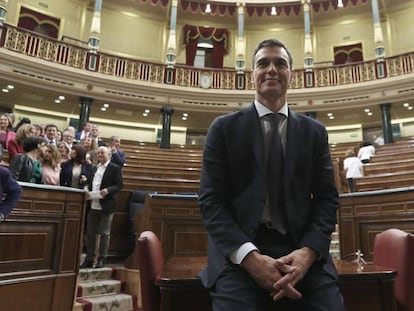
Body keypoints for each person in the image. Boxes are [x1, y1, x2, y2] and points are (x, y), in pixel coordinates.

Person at [198, 39, 344, 311]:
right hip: (239, 256)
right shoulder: (223, 129)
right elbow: (211, 202)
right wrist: (250, 258)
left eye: (281, 63)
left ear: (292, 74)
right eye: (263, 63)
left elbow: (326, 200)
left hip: (300, 250)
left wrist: (307, 254)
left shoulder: (315, 133)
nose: (272, 69)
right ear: (252, 74)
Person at [80, 146, 123, 269]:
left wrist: (108, 190)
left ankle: (102, 259)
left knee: (104, 234)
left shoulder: (114, 168)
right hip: (93, 203)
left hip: (106, 205)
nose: (99, 155)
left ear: (109, 154)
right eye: (98, 153)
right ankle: (89, 259)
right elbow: (89, 182)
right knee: (90, 233)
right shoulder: (94, 168)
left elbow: (119, 185)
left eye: (102, 153)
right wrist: (86, 188)